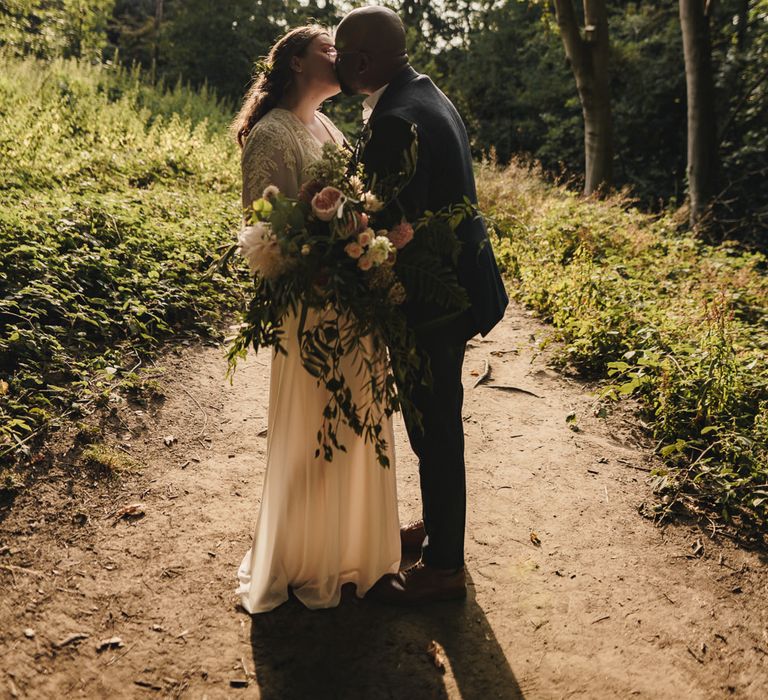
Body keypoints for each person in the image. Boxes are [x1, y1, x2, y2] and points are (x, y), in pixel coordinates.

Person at [334, 7, 509, 604]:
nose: (337, 65)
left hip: (431, 299)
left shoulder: (395, 118)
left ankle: (445, 567)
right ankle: (437, 530)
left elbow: (385, 223)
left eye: (342, 54)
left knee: (434, 429)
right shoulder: (424, 91)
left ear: (363, 60)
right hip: (459, 285)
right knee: (435, 423)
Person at [232, 25, 401, 614]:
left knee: (354, 428)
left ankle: (352, 550)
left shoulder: (327, 125)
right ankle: (306, 558)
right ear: (298, 62)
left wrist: (366, 242)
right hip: (311, 308)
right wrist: (326, 257)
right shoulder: (271, 134)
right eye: (330, 50)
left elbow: (349, 202)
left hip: (351, 300)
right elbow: (268, 234)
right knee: (315, 433)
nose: (343, 57)